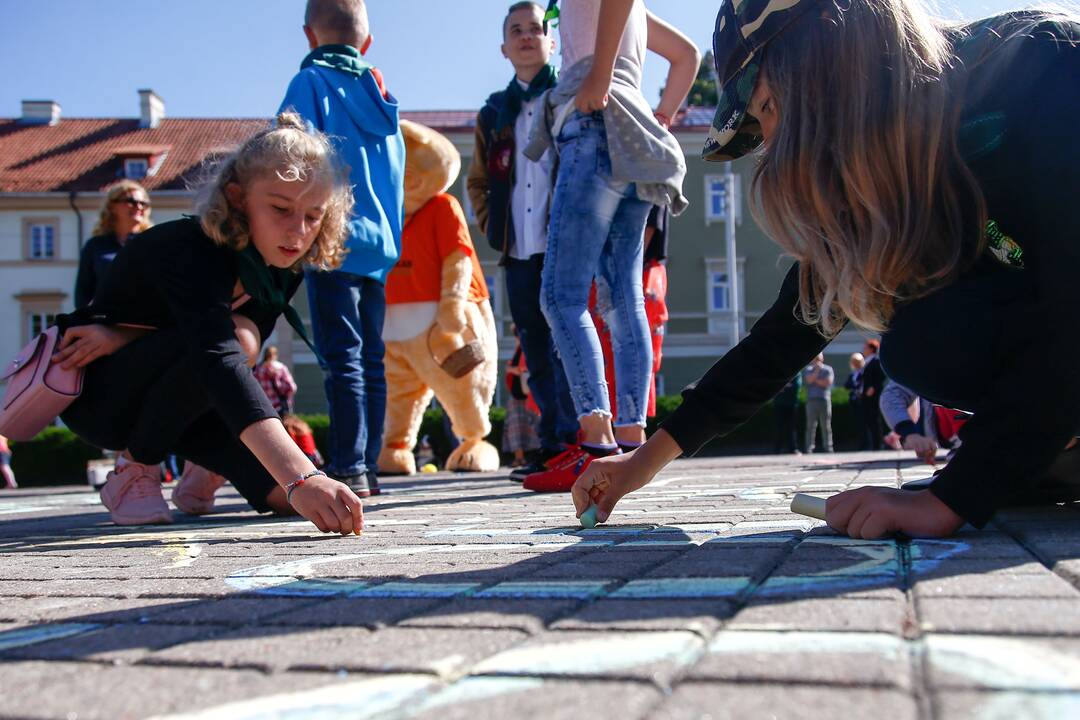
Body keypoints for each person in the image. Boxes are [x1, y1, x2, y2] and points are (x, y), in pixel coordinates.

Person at [573, 0, 1080, 540]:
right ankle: (1050, 451)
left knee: (932, 338)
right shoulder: (893, 175)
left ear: (832, 58)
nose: (770, 144)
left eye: (767, 106)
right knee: (923, 341)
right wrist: (639, 463)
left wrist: (954, 497)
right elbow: (783, 337)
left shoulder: (1040, 65)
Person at [52, 112, 363, 534]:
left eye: (314, 215)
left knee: (289, 500)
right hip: (103, 397)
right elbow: (219, 355)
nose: (299, 230)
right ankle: (136, 468)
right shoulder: (189, 248)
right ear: (237, 198)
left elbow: (230, 361)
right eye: (280, 208)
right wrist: (303, 475)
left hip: (189, 404)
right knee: (241, 345)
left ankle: (203, 466)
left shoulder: (283, 264)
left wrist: (297, 484)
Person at [520, 0, 698, 492]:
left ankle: (598, 442)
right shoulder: (637, 14)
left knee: (562, 295)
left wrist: (598, 77)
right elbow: (686, 55)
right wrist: (661, 114)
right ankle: (631, 439)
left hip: (597, 124)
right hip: (636, 137)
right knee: (623, 298)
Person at [279, 0, 405, 498]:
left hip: (331, 239)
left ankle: (349, 465)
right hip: (379, 245)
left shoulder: (308, 84)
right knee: (370, 358)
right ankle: (366, 466)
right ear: (366, 43)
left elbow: (288, 155)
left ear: (310, 35)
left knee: (342, 358)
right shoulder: (383, 97)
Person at [467, 2, 577, 480]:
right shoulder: (494, 111)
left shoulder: (570, 92)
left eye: (536, 28)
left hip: (566, 243)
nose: (527, 35)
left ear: (551, 41)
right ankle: (553, 440)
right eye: (517, 30)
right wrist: (495, 225)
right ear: (504, 48)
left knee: (572, 339)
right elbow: (477, 180)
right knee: (534, 347)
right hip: (518, 250)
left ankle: (582, 436)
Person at [74, 181, 153, 310]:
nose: (139, 207)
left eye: (143, 203)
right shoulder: (95, 246)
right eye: (131, 201)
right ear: (112, 206)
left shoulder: (153, 244)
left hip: (145, 320)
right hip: (105, 320)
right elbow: (82, 295)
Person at [503, 335, 542, 469]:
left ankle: (529, 457)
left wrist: (513, 370)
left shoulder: (526, 350)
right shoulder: (519, 351)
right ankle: (519, 458)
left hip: (528, 395)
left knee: (530, 426)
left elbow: (524, 369)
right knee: (515, 428)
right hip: (517, 396)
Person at [802, 353, 834, 453]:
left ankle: (828, 447)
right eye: (815, 358)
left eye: (818, 358)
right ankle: (809, 447)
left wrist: (816, 380)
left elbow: (827, 383)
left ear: (822, 358)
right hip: (811, 400)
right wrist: (816, 372)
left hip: (824, 400)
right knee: (810, 425)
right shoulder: (808, 369)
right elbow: (809, 381)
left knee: (826, 425)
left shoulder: (828, 369)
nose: (817, 361)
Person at [859, 339, 887, 450]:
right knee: (867, 420)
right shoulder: (866, 361)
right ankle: (869, 444)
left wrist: (873, 387)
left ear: (871, 349)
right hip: (866, 395)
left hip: (873, 395)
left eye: (865, 348)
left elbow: (881, 376)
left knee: (874, 419)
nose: (863, 350)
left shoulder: (876, 360)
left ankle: (878, 445)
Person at [254, 345, 298, 415]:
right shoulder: (281, 368)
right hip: (280, 406)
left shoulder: (257, 369)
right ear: (275, 355)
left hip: (263, 407)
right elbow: (292, 387)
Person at [772, 375, 801, 454]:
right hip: (779, 404)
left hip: (792, 404)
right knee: (779, 427)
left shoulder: (797, 374)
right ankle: (777, 449)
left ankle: (793, 448)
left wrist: (783, 387)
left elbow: (796, 386)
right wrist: (786, 386)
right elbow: (774, 387)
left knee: (791, 427)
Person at [844, 352, 866, 449]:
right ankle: (860, 444)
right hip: (854, 401)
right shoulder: (852, 374)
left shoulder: (864, 373)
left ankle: (866, 444)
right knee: (857, 424)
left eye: (857, 362)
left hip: (862, 401)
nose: (855, 364)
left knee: (864, 423)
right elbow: (847, 385)